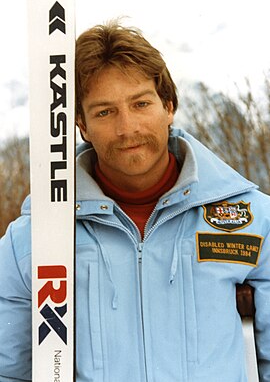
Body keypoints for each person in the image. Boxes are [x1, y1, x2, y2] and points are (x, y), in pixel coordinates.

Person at [0, 20, 270, 382]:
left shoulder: (254, 221)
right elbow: (8, 371)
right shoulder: (32, 242)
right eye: (104, 112)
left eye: (141, 104)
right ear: (81, 124)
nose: (127, 128)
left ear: (169, 106)